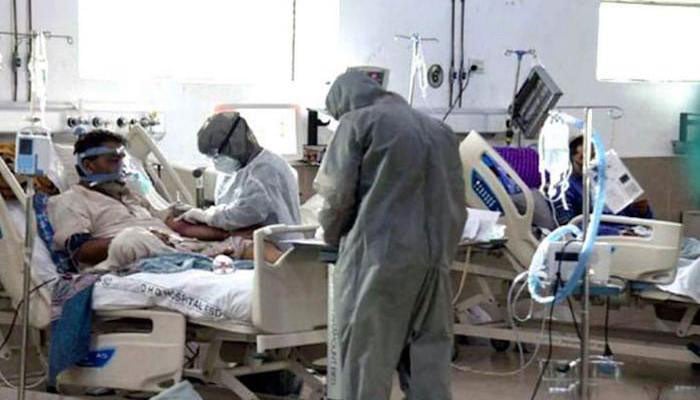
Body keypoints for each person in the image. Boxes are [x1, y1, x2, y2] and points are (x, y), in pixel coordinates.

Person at [314, 71, 466, 400]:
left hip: (378, 263)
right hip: (434, 264)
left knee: (365, 364)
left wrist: (329, 236)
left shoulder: (357, 123)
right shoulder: (441, 131)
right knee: (429, 367)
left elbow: (337, 198)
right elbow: (457, 203)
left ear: (342, 103)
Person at [47, 130, 281, 271]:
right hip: (126, 256)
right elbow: (81, 251)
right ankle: (193, 261)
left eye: (122, 160)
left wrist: (230, 232)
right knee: (132, 238)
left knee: (254, 243)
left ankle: (302, 289)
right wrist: (146, 237)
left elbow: (175, 224)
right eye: (112, 161)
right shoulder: (70, 201)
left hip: (175, 247)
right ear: (88, 165)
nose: (121, 168)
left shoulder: (131, 195)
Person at [179, 112, 301, 243]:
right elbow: (228, 209)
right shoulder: (234, 170)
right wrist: (206, 214)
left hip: (277, 246)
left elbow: (246, 212)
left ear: (234, 143)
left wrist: (206, 216)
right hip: (246, 240)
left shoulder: (267, 170)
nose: (216, 160)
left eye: (217, 154)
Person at [553, 135, 653, 229]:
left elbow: (627, 216)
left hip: (625, 233)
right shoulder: (565, 189)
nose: (589, 162)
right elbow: (569, 226)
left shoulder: (606, 180)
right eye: (582, 158)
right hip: (600, 237)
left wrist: (641, 211)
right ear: (571, 160)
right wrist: (614, 232)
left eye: (593, 156)